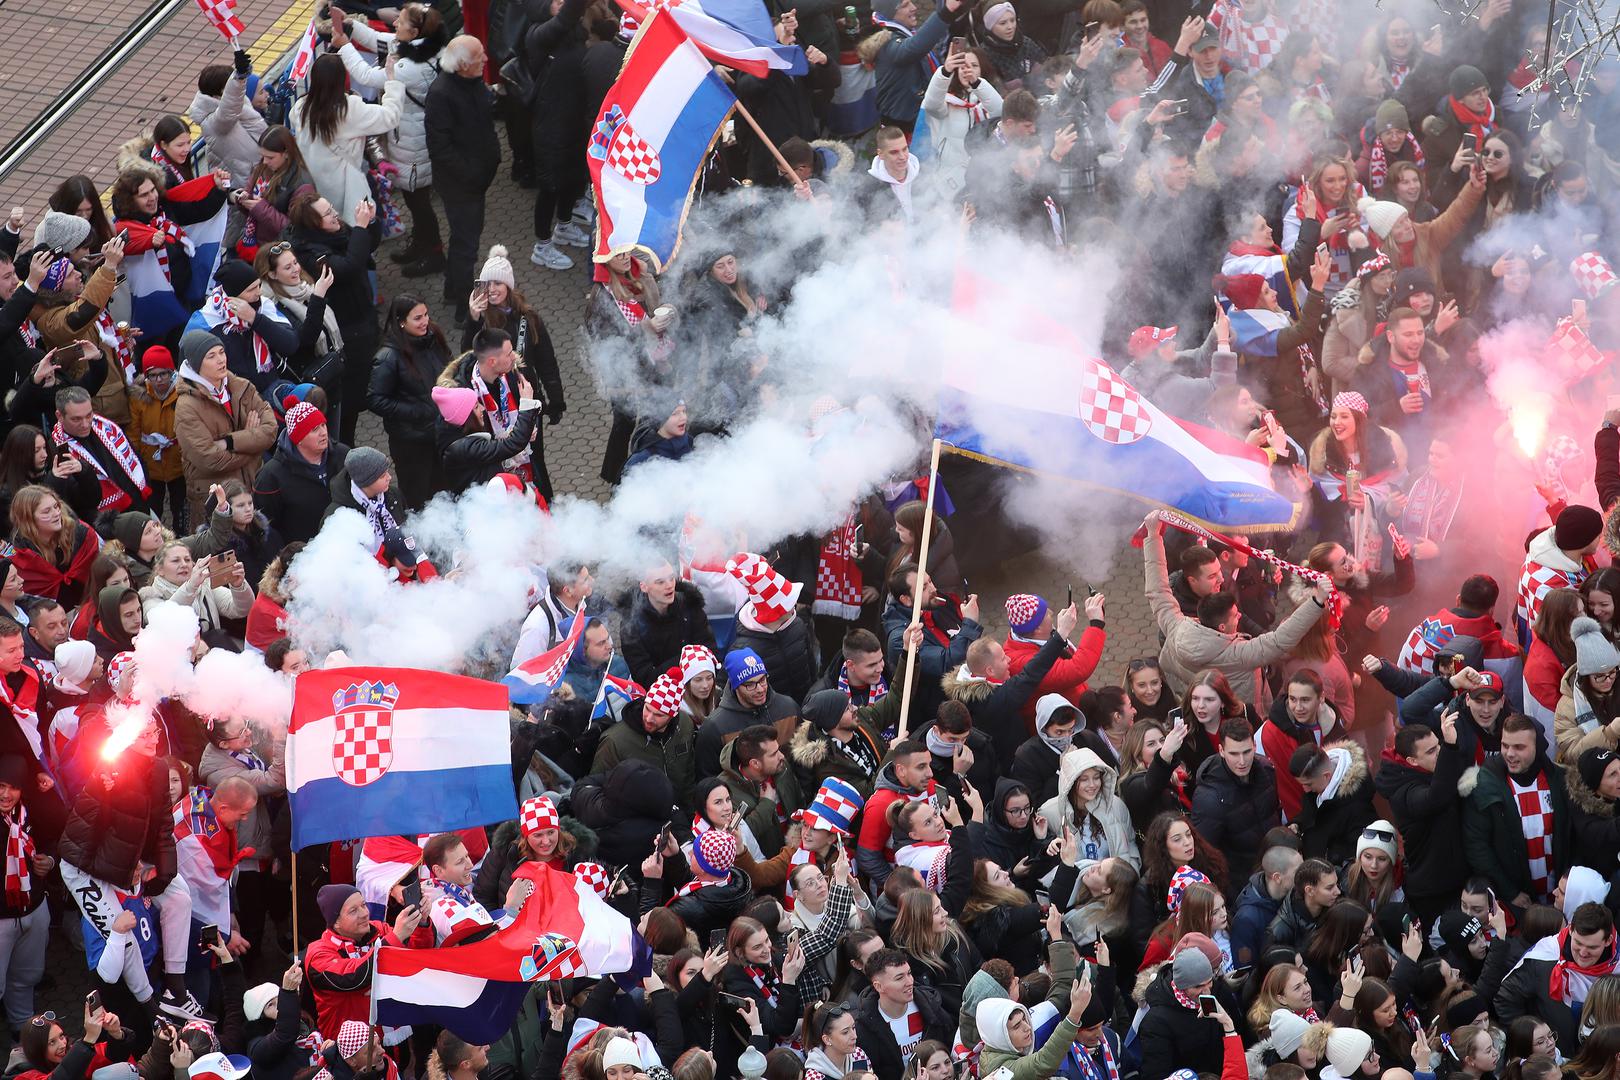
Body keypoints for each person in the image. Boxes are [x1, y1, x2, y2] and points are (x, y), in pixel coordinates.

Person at [57, 710, 202, 1019]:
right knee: (123, 935)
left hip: (127, 861)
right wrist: (98, 790)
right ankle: (148, 1003)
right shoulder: (108, 770)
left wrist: (164, 872)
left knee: (179, 896)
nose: (152, 740)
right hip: (87, 870)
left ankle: (176, 984)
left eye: (154, 733)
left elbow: (163, 824)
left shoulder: (161, 769)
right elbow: (84, 833)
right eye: (143, 735)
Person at [1143, 509, 1328, 707]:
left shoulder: (1175, 626)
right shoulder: (1236, 656)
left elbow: (1158, 591)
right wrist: (1316, 602)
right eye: (1235, 616)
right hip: (1239, 714)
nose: (1239, 614)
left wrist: (1153, 536)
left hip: (1193, 704)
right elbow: (1279, 642)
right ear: (1222, 627)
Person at [424, 36, 500, 323]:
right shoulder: (442, 94)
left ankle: (452, 290)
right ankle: (464, 310)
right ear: (464, 65)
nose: (486, 59)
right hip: (461, 185)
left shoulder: (471, 82)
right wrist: (472, 174)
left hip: (473, 181)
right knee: (466, 245)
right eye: (480, 56)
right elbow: (440, 148)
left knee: (463, 239)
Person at [172, 329, 277, 525]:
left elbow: (270, 429)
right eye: (211, 356)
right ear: (196, 364)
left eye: (222, 352)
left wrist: (231, 441)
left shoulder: (241, 386)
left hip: (252, 489)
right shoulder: (186, 407)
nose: (221, 359)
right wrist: (253, 446)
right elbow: (210, 459)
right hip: (217, 502)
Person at [294, 53, 404, 227]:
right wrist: (392, 81)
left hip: (319, 184)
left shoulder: (300, 108)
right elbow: (391, 117)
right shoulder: (349, 110)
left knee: (331, 227)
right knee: (356, 228)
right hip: (348, 185)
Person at [1376, 714, 1467, 924]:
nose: (1440, 752)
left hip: (1455, 880)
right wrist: (1451, 747)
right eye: (1432, 751)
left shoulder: (1431, 771)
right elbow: (1436, 797)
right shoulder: (1403, 791)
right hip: (1431, 891)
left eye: (1439, 745)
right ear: (1412, 761)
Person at [1496, 901, 1618, 1055]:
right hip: (1554, 1061)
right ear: (1571, 930)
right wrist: (1527, 1044)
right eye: (1578, 943)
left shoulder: (1617, 967)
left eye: (1592, 947)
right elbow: (1506, 1000)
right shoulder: (1543, 957)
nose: (1583, 952)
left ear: (1608, 940)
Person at [369, 295, 454, 509]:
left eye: (426, 315)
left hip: (440, 433)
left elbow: (450, 367)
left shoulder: (433, 338)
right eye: (418, 318)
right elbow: (374, 399)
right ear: (401, 322)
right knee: (419, 498)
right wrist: (416, 411)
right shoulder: (388, 357)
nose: (425, 321)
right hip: (411, 444)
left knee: (445, 491)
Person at [304, 884, 421, 1037]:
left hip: (390, 1032)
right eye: (353, 911)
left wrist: (421, 922)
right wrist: (395, 939)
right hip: (350, 1049)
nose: (365, 913)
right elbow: (354, 977)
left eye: (363, 905)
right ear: (335, 922)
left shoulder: (379, 930)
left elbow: (417, 954)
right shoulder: (318, 955)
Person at [591, 671, 697, 812]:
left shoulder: (684, 725)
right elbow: (595, 790)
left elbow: (688, 777)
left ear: (673, 715)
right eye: (648, 709)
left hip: (678, 815)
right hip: (636, 821)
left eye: (659, 715)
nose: (649, 718)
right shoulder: (615, 741)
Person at [1191, 717, 1279, 885]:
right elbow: (1205, 853)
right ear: (1221, 750)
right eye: (1234, 753)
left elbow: (1274, 812)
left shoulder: (1266, 770)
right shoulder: (1209, 797)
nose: (1242, 761)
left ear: (1254, 746)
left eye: (1246, 752)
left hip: (1273, 867)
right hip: (1239, 881)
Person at [252, 400, 351, 543]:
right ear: (299, 438)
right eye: (314, 429)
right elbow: (265, 528)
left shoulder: (343, 454)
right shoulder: (271, 477)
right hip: (303, 556)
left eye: (323, 425)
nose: (323, 433)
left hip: (344, 541)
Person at [850, 949, 956, 1080]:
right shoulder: (864, 1029)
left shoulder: (931, 1007)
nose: (910, 981)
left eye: (909, 974)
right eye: (899, 978)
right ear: (879, 986)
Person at [620, 559, 718, 687]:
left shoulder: (690, 606)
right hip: (660, 694)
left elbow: (710, 651)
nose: (669, 585)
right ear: (644, 586)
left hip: (698, 684)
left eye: (671, 578)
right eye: (660, 582)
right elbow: (644, 678)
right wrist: (686, 657)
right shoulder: (631, 625)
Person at [1233, 846, 1302, 966]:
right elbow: (1245, 967)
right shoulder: (1246, 919)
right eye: (1298, 872)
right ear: (1277, 877)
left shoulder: (1294, 895)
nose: (1304, 876)